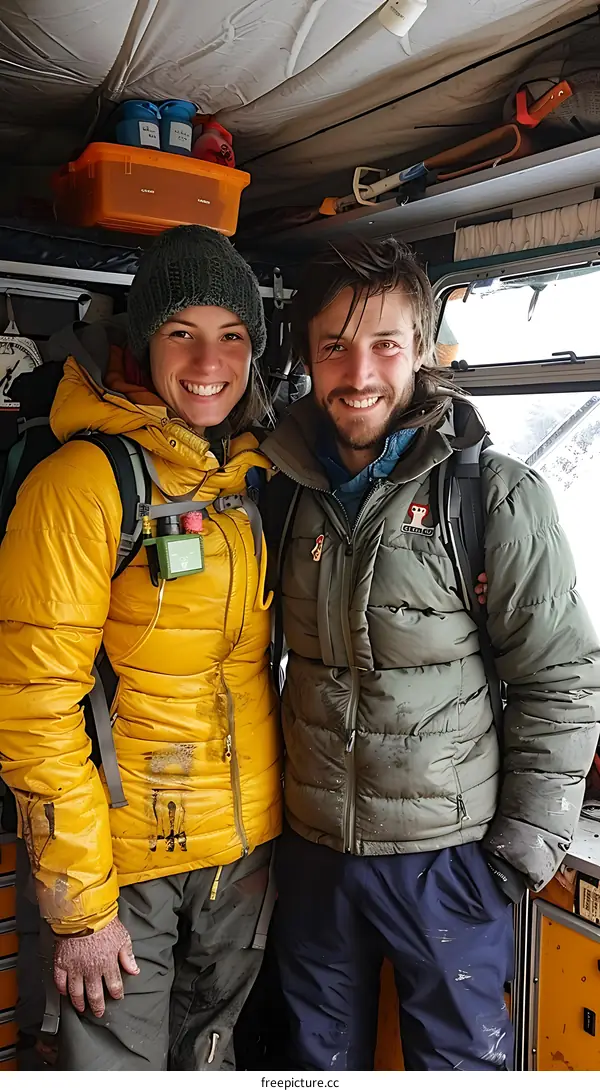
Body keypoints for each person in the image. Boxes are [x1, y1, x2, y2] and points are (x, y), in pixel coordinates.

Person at [260, 237, 600, 1072]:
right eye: (335, 346)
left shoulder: (493, 495)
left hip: (446, 860)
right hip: (313, 853)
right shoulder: (277, 490)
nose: (360, 371)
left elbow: (561, 678)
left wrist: (519, 852)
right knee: (310, 1068)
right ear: (308, 357)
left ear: (420, 349)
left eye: (384, 343)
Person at [0, 225, 281, 1071]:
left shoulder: (252, 474)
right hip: (126, 864)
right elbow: (35, 703)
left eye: (232, 335)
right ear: (141, 341)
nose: (210, 360)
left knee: (211, 1064)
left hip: (243, 853)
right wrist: (80, 907)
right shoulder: (84, 484)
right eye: (182, 332)